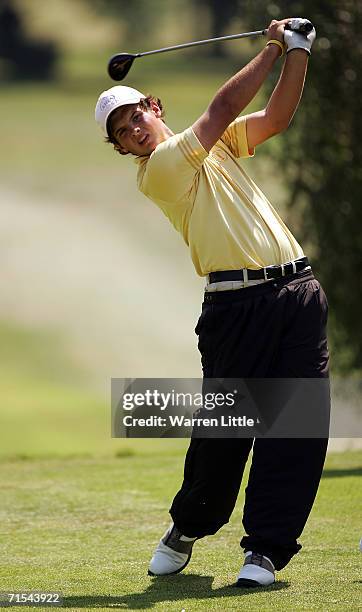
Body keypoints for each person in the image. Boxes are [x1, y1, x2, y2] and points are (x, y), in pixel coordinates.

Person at [95, 18, 329, 588]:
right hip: (235, 307)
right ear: (124, 148)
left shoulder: (213, 147)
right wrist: (273, 43)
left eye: (136, 117)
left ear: (154, 106)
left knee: (296, 428)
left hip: (295, 292)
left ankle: (266, 552)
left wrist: (297, 50)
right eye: (123, 132)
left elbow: (274, 119)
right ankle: (187, 527)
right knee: (228, 433)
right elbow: (222, 109)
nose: (135, 131)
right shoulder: (161, 171)